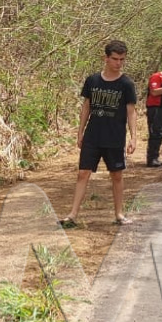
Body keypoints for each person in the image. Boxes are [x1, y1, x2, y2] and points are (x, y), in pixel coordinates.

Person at [61, 40, 138, 227]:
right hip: (93, 136)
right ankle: (72, 215)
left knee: (117, 175)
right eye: (115, 59)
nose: (118, 63)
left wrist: (133, 137)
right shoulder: (92, 80)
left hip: (114, 137)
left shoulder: (126, 84)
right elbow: (86, 106)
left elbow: (131, 110)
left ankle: (119, 214)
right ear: (106, 58)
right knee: (83, 173)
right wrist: (80, 132)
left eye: (122, 59)